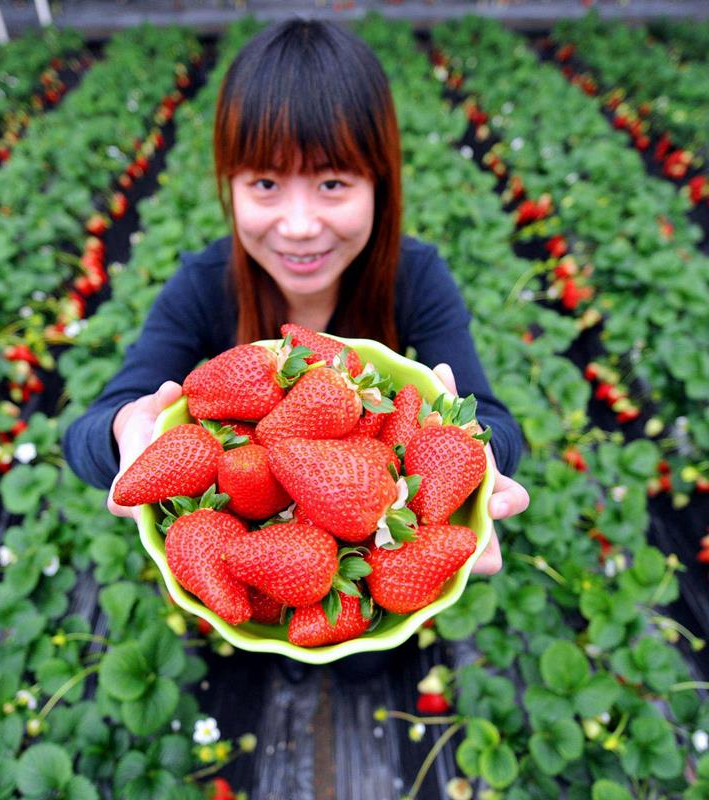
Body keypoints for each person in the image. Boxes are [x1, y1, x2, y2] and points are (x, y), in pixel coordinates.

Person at [63, 19, 529, 581]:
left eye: (333, 183)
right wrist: (124, 428)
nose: (301, 225)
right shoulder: (202, 285)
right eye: (265, 184)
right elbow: (85, 435)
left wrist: (477, 453)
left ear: (380, 185)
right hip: (252, 555)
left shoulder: (416, 276)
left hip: (370, 552)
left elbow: (497, 422)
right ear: (227, 184)